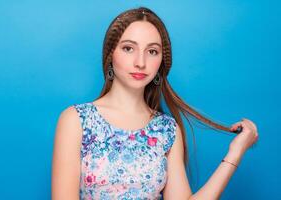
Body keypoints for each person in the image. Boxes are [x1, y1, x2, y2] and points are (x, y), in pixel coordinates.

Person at [51, 6, 259, 200]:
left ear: (161, 61)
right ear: (110, 54)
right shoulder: (77, 120)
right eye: (128, 48)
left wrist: (235, 153)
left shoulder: (166, 129)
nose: (140, 62)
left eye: (152, 51)